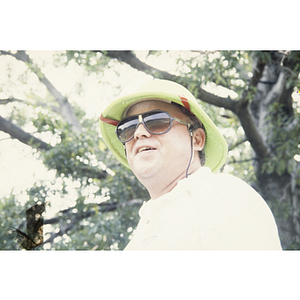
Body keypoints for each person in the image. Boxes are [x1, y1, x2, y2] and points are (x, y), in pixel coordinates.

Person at [99, 79, 282, 250]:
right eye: (128, 127)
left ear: (197, 139)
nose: (139, 133)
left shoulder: (223, 196)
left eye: (156, 121)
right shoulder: (141, 231)